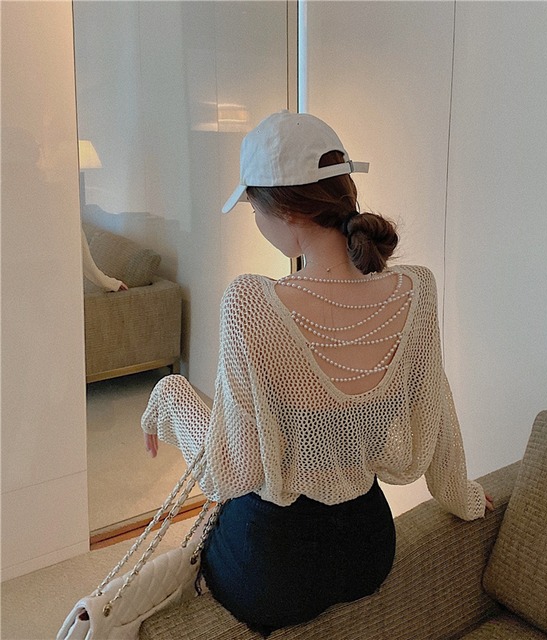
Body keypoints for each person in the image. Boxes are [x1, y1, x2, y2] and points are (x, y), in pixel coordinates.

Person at [141, 110, 493, 637]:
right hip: (368, 552)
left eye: (252, 207)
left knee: (213, 527)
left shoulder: (250, 304)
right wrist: (463, 496)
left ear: (283, 210)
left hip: (272, 572)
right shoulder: (416, 290)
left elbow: (230, 470)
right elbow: (436, 415)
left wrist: (170, 396)